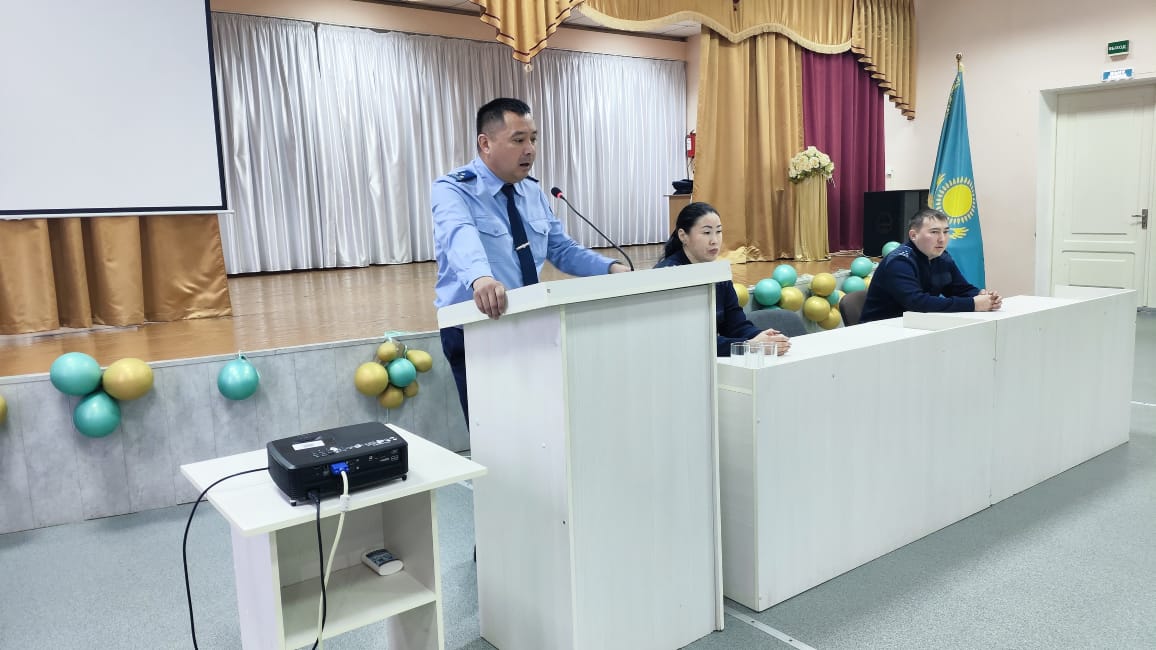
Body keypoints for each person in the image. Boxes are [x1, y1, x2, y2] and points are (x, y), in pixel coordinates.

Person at [432, 98, 630, 422]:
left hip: (528, 323)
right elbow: (459, 235)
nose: (530, 150)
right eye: (518, 139)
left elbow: (561, 249)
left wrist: (611, 269)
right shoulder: (453, 190)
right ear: (485, 143)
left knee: (537, 425)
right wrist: (481, 278)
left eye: (533, 139)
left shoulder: (532, 192)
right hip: (476, 327)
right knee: (494, 428)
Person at [654, 201, 791, 357]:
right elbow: (689, 340)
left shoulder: (718, 273)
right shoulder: (668, 276)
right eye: (706, 233)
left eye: (718, 231)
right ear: (683, 236)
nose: (714, 240)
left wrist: (762, 338)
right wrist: (749, 346)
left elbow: (736, 325)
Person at [860, 207, 1001, 323]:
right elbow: (918, 303)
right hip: (879, 331)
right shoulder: (899, 262)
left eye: (946, 232)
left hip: (915, 326)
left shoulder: (942, 257)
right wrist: (973, 304)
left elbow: (960, 289)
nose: (942, 239)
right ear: (913, 235)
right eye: (934, 232)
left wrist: (984, 296)